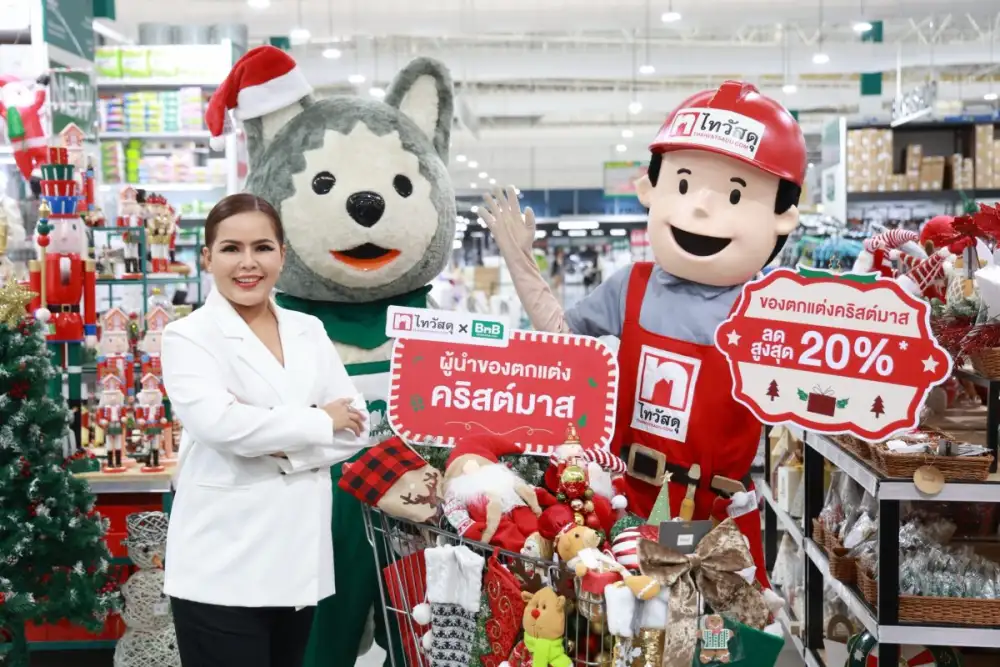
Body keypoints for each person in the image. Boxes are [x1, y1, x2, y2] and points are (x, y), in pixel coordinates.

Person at [482, 81, 805, 596]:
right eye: (683, 184)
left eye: (734, 194)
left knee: (711, 628)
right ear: (651, 188)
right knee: (627, 618)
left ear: (782, 215)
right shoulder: (630, 287)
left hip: (715, 518)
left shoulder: (775, 309)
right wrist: (520, 260)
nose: (700, 209)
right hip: (627, 501)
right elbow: (564, 340)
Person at [161, 193, 370, 667]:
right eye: (231, 249)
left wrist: (277, 442)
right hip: (221, 565)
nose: (248, 263)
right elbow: (221, 425)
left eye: (262, 247)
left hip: (297, 561)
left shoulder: (307, 329)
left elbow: (355, 425)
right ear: (207, 258)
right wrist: (319, 420)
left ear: (282, 254)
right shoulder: (188, 336)